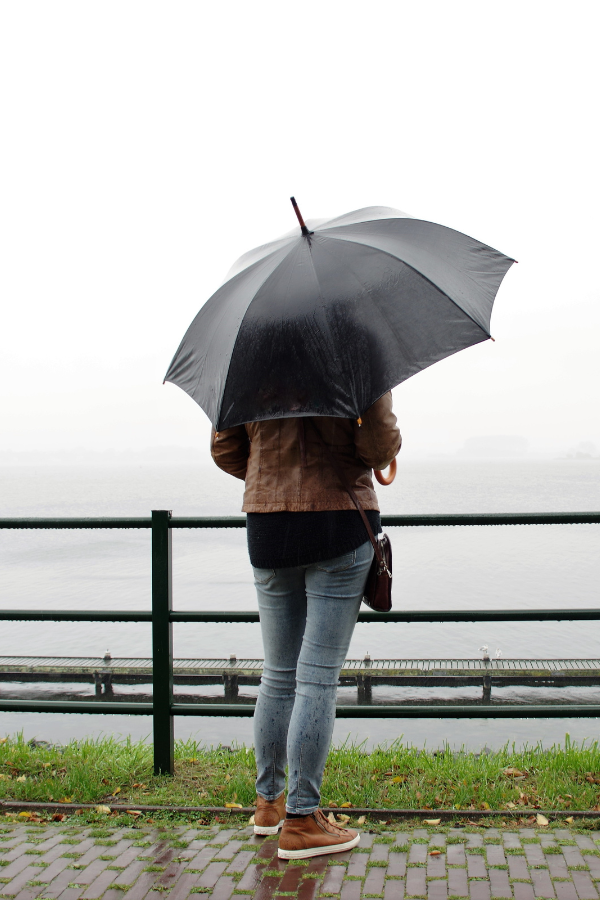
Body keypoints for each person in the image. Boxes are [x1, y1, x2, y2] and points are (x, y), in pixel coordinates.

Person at [211, 392, 401, 859]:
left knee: (277, 674)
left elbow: (226, 449)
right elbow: (379, 445)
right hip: (339, 519)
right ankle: (302, 820)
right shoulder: (355, 350)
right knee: (316, 675)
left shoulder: (251, 358)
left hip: (269, 524)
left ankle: (269, 805)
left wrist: (270, 477)